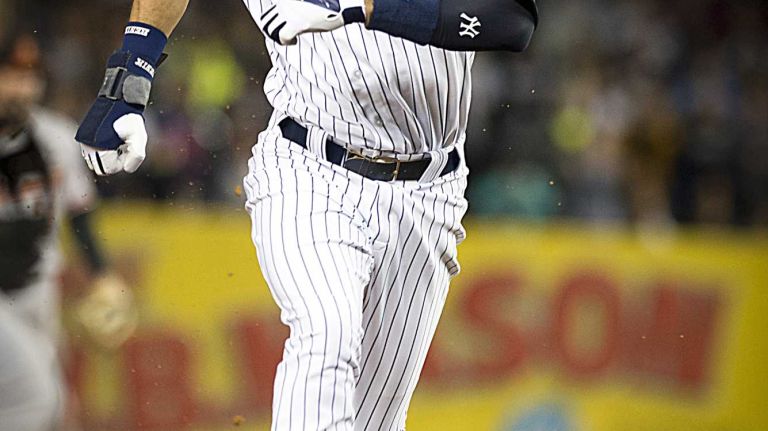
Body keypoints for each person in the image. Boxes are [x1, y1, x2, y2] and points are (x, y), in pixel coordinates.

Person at [75, 0, 538, 429]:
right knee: (327, 334)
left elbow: (513, 21)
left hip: (428, 191)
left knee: (372, 420)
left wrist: (361, 9)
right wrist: (128, 78)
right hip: (309, 168)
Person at [0, 34, 136, 431]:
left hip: (37, 291)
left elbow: (80, 215)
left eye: (30, 77)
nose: (22, 87)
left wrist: (102, 275)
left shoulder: (56, 137)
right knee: (37, 403)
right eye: (11, 75)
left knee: (50, 406)